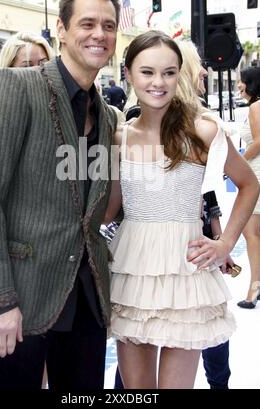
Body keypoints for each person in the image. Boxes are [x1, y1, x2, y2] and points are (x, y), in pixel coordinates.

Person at [0, 0, 120, 389]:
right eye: (87, 24)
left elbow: (89, 209)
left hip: (85, 302)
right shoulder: (16, 87)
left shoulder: (104, 115)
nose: (98, 34)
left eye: (107, 25)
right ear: (62, 30)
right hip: (20, 302)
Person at [104, 30, 259, 389]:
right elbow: (110, 211)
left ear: (179, 75)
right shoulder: (118, 138)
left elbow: (250, 184)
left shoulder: (203, 131)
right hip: (132, 271)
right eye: (147, 72)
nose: (158, 82)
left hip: (186, 270)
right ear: (128, 74)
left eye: (169, 72)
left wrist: (223, 244)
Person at [237, 66, 260, 308]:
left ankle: (255, 288)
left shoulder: (256, 106)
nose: (238, 86)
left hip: (256, 173)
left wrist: (237, 164)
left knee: (250, 232)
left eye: (241, 82)